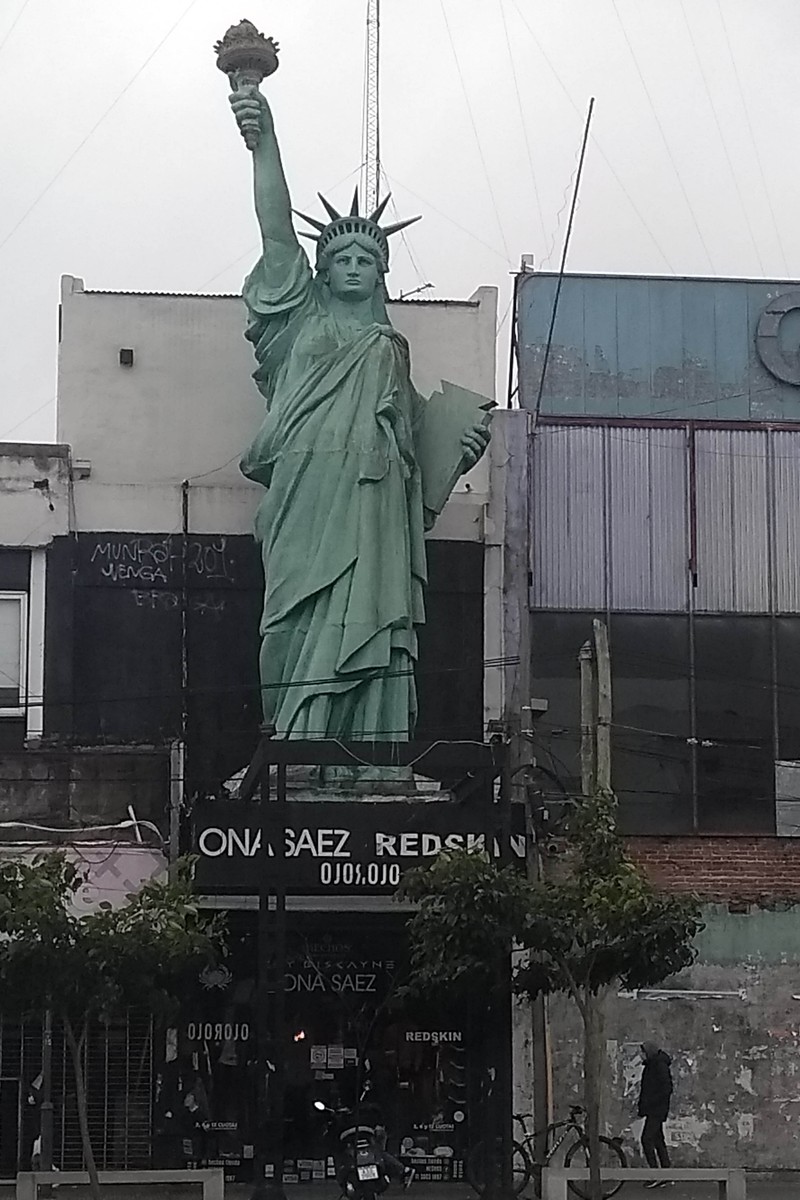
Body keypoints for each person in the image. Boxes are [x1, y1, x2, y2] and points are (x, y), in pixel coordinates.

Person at [227, 84, 490, 746]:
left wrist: (456, 446)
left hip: (376, 505)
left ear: (381, 275)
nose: (351, 268)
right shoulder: (299, 319)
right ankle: (297, 746)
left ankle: (368, 757)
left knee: (371, 619)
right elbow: (274, 226)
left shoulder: (388, 349)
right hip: (305, 495)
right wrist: (264, 140)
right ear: (319, 270)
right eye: (339, 259)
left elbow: (415, 451)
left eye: (365, 261)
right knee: (291, 618)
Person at [637, 1041, 673, 1189]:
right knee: (658, 1140)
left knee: (646, 1139)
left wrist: (650, 1103)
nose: (641, 1055)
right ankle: (666, 1173)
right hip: (654, 1109)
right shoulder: (652, 1065)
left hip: (656, 1110)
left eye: (643, 1052)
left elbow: (666, 1088)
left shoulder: (658, 1066)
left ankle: (655, 1175)